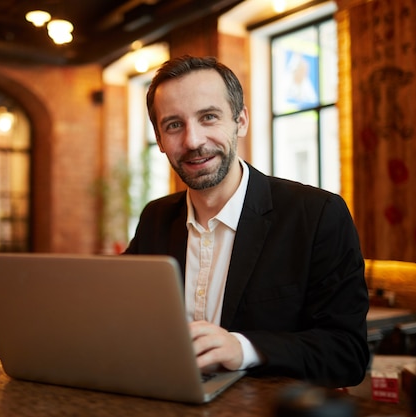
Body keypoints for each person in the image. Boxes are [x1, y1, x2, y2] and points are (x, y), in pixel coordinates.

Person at [124, 55, 369, 388]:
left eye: (208, 117)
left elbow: (347, 354)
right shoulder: (155, 217)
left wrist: (243, 348)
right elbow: (121, 317)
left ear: (240, 121)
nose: (193, 141)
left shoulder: (318, 215)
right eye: (174, 125)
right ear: (160, 138)